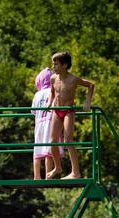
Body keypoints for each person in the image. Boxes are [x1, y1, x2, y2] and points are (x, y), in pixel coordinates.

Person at [46, 51, 95, 179]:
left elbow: (90, 85)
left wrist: (87, 101)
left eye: (56, 64)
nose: (53, 67)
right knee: (52, 141)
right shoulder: (53, 78)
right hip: (57, 110)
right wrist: (49, 102)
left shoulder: (73, 79)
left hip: (68, 111)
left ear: (65, 65)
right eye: (53, 64)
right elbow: (52, 92)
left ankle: (75, 172)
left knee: (68, 141)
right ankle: (57, 168)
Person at [31, 67, 63, 179]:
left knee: (37, 150)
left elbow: (33, 111)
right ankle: (48, 175)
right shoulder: (53, 91)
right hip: (51, 123)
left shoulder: (37, 95)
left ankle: (36, 176)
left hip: (39, 124)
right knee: (49, 151)